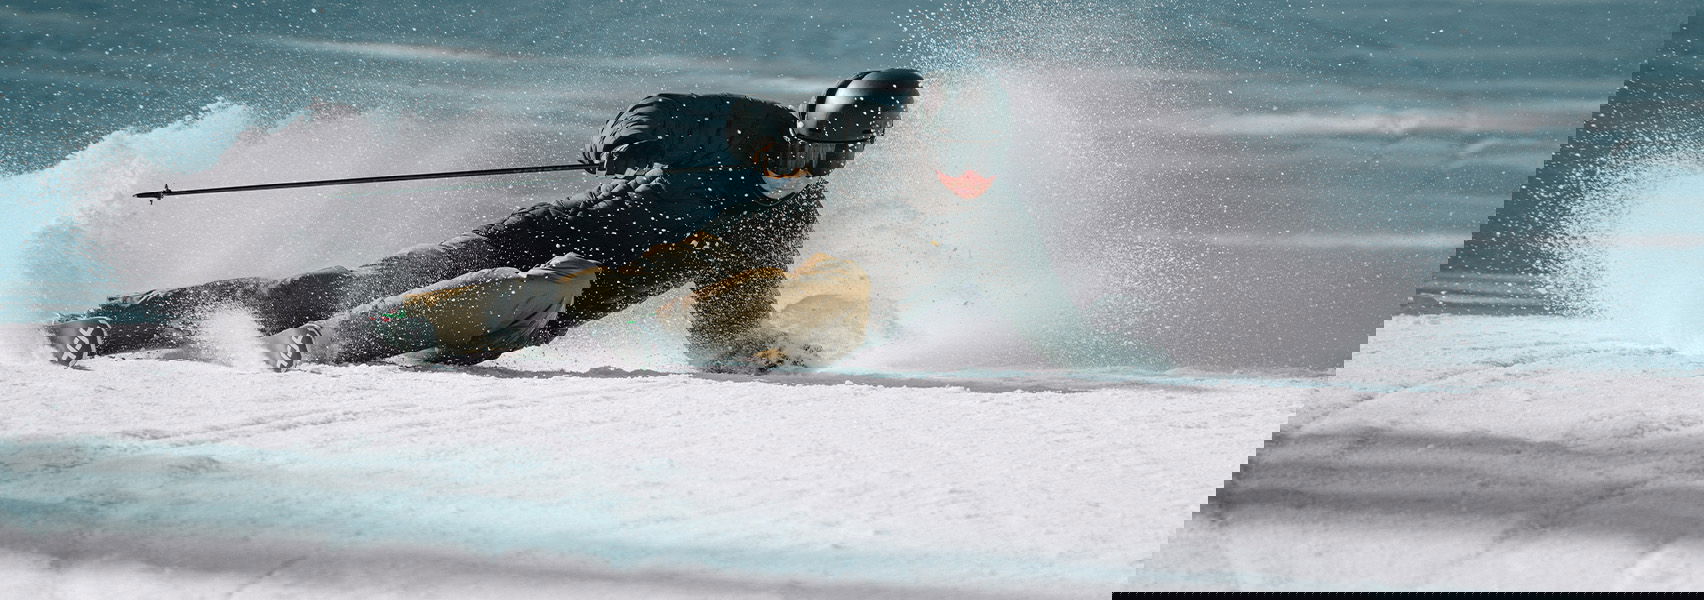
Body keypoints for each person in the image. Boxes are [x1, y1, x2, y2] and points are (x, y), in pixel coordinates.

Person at [57, 68, 923, 373]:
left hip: (576, 291)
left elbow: (735, 297)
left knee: (546, 296)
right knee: (344, 283)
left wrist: (744, 348)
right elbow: (636, 122)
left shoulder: (790, 213)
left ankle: (359, 338)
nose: (807, 159)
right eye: (816, 135)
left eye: (836, 151)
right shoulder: (732, 120)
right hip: (543, 232)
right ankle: (115, 324)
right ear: (813, 113)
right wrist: (623, 149)